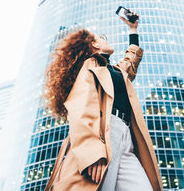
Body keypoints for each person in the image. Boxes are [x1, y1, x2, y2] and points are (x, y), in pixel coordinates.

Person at [44, 12, 162, 191]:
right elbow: (81, 107)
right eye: (102, 38)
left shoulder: (113, 70)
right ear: (94, 44)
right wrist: (93, 152)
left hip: (126, 136)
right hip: (104, 133)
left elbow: (130, 63)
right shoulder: (90, 66)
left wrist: (133, 29)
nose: (106, 39)